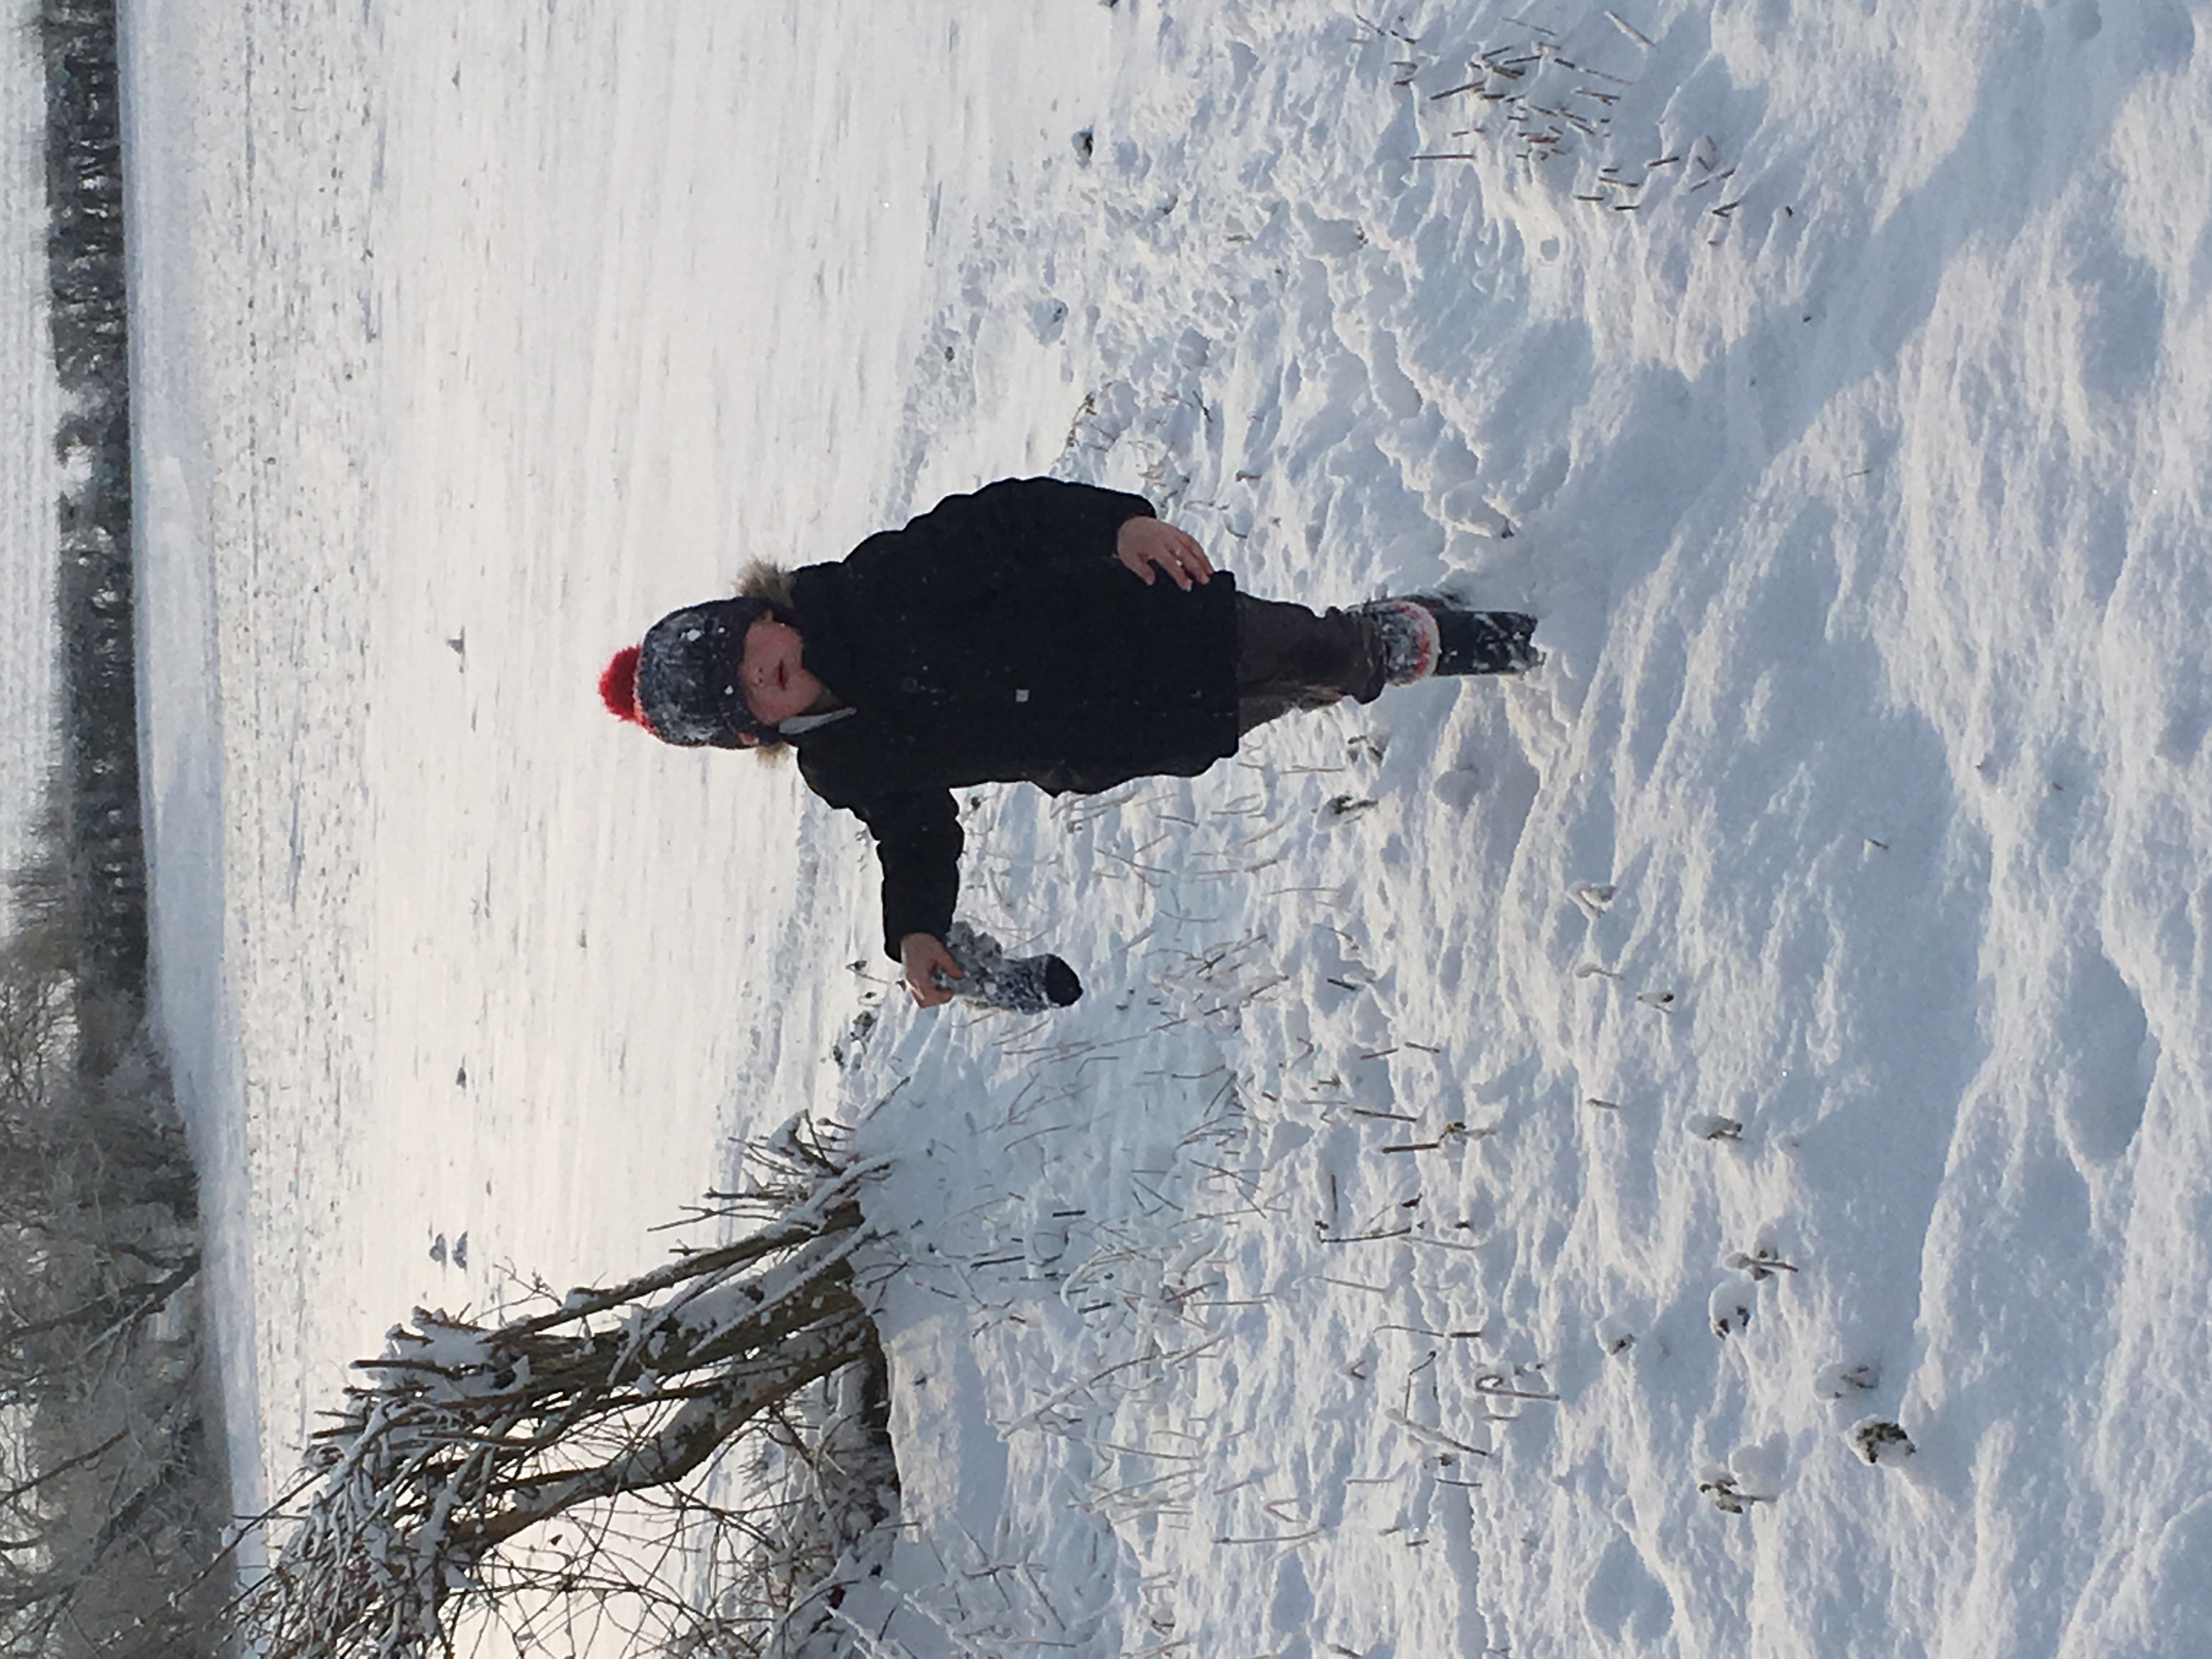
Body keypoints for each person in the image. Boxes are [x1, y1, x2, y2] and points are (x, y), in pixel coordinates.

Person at [600, 477, 1536, 1007]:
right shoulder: (842, 762)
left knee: (1314, 649)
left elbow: (1001, 522)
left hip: (1148, 623)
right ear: (750, 733)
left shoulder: (870, 590)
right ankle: (1335, 674)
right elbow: (913, 830)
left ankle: (1418, 639)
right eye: (745, 700)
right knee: (1267, 706)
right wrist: (916, 924)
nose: (764, 676)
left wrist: (1117, 525)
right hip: (1119, 732)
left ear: (760, 613)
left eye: (746, 652)